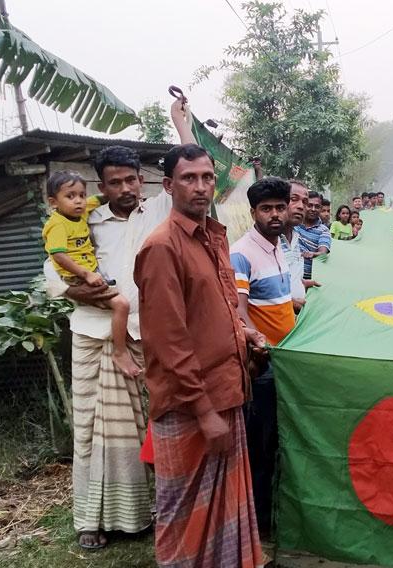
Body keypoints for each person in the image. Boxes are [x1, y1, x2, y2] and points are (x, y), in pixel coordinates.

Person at [135, 144, 266, 567]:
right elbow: (167, 342)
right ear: (169, 186)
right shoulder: (161, 248)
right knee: (183, 517)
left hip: (225, 390)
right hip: (192, 405)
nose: (201, 186)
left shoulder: (213, 236)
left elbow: (220, 307)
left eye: (207, 177)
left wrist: (246, 334)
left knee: (227, 509)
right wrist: (205, 412)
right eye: (189, 178)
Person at [43, 146, 161, 551]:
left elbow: (203, 187)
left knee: (142, 428)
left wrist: (184, 125)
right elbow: (50, 269)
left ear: (141, 181)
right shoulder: (83, 216)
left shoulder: (160, 213)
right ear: (102, 185)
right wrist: (74, 290)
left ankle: (139, 512)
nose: (125, 188)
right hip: (95, 334)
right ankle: (90, 519)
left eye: (131, 180)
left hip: (148, 337)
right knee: (93, 428)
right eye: (115, 182)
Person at [230, 177, 297, 539]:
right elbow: (238, 309)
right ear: (253, 212)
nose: (274, 214)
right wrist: (258, 341)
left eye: (279, 207)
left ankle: (272, 515)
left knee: (278, 443)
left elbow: (274, 301)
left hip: (285, 360)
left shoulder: (278, 247)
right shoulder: (242, 251)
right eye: (266, 209)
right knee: (261, 445)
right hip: (264, 364)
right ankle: (257, 526)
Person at [42, 171, 138, 379]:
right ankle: (120, 353)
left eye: (81, 195)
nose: (78, 201)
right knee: (122, 304)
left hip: (90, 273)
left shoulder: (82, 213)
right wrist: (86, 275)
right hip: (77, 276)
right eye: (70, 196)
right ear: (53, 202)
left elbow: (103, 197)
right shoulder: (57, 224)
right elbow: (58, 255)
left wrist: (131, 195)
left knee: (117, 301)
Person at [281, 180, 310, 311]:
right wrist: (290, 303)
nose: (301, 206)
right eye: (294, 199)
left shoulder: (297, 237)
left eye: (305, 202)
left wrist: (301, 283)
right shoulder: (268, 241)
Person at [295, 190, 332, 279]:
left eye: (317, 206)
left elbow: (323, 253)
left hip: (310, 280)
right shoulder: (293, 224)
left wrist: (312, 254)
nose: (313, 209)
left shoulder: (324, 230)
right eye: (309, 205)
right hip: (289, 278)